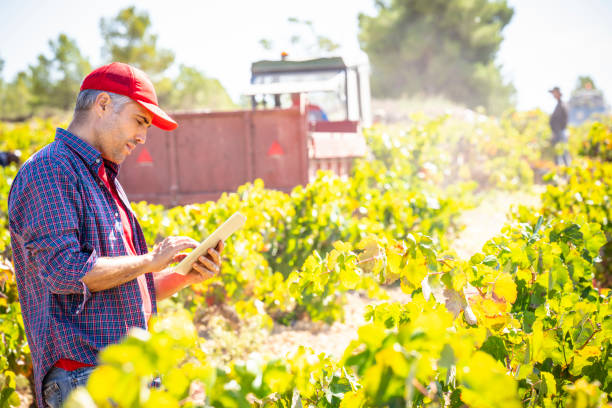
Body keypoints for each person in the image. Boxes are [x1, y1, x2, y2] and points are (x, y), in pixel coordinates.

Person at [8, 62, 224, 408]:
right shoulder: (50, 170)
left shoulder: (102, 178)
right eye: (140, 121)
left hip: (121, 375)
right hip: (86, 379)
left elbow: (122, 289)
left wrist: (182, 277)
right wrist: (150, 260)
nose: (143, 137)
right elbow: (65, 272)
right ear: (103, 104)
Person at [549, 86, 571, 166]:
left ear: (558, 93)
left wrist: (557, 131)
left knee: (563, 152)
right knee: (558, 153)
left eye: (554, 93)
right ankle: (560, 171)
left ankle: (567, 172)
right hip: (558, 132)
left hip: (561, 132)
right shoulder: (558, 105)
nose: (553, 95)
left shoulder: (562, 105)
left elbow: (564, 120)